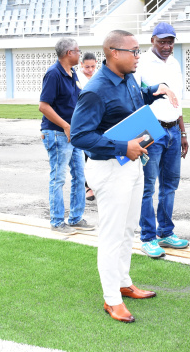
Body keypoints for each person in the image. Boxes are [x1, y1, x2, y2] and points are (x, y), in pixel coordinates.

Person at [70, 30, 178, 324]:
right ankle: (111, 299)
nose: (138, 56)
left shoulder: (129, 77)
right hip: (108, 167)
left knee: (128, 228)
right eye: (134, 51)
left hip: (131, 162)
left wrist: (158, 88)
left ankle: (123, 282)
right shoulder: (95, 90)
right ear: (114, 53)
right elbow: (79, 136)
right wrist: (122, 146)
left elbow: (136, 98)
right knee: (112, 234)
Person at [134, 22, 190, 258]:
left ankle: (165, 232)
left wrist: (183, 132)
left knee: (170, 185)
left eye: (170, 41)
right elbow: (136, 97)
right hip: (150, 130)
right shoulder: (142, 63)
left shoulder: (175, 63)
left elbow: (178, 101)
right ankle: (147, 237)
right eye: (162, 41)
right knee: (148, 187)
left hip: (173, 131)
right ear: (152, 41)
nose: (167, 46)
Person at [39, 38, 94, 235]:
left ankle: (76, 218)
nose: (80, 54)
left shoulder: (72, 74)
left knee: (80, 176)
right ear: (68, 53)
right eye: (78, 51)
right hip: (57, 133)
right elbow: (43, 106)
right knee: (58, 178)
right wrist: (65, 126)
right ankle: (56, 221)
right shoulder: (54, 74)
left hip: (74, 133)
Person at [77, 51, 98, 202]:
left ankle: (95, 183)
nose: (90, 70)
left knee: (96, 153)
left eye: (92, 66)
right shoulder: (76, 78)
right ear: (81, 65)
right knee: (84, 155)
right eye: (87, 67)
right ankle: (87, 186)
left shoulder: (99, 76)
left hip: (97, 119)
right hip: (83, 120)